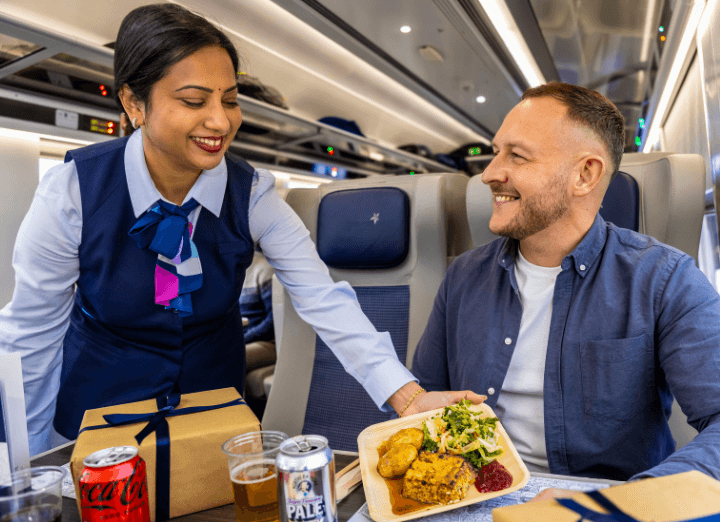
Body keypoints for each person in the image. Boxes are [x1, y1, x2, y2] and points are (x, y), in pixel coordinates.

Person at [0, 3, 484, 456]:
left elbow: (322, 298)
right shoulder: (72, 191)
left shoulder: (252, 193)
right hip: (96, 430)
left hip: (212, 425)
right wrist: (32, 464)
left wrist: (405, 396)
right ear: (134, 103)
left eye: (230, 100)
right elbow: (32, 338)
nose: (220, 120)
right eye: (193, 100)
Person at [411, 82, 720, 494]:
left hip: (608, 509)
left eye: (517, 155)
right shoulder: (463, 276)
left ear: (585, 174)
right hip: (469, 497)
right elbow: (422, 396)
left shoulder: (663, 280)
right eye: (495, 152)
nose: (490, 174)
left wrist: (629, 503)